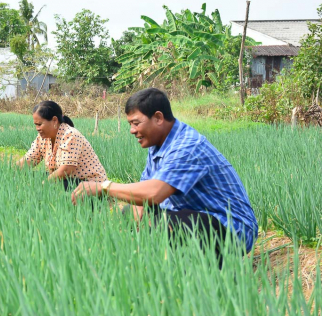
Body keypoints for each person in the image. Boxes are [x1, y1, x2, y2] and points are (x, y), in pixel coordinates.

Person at [71, 88, 258, 261]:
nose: (132, 130)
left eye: (136, 123)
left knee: (166, 224)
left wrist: (104, 186)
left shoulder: (187, 146)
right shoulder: (158, 145)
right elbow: (143, 198)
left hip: (231, 229)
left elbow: (155, 193)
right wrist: (134, 235)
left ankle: (200, 273)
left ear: (158, 118)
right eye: (130, 124)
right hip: (193, 217)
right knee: (131, 212)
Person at [18, 100, 107, 190]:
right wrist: (9, 173)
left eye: (40, 124)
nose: (37, 128)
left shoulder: (70, 134)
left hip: (89, 186)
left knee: (54, 184)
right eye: (36, 125)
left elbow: (66, 170)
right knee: (30, 176)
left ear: (54, 120)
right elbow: (28, 160)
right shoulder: (42, 138)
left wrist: (43, 184)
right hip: (67, 180)